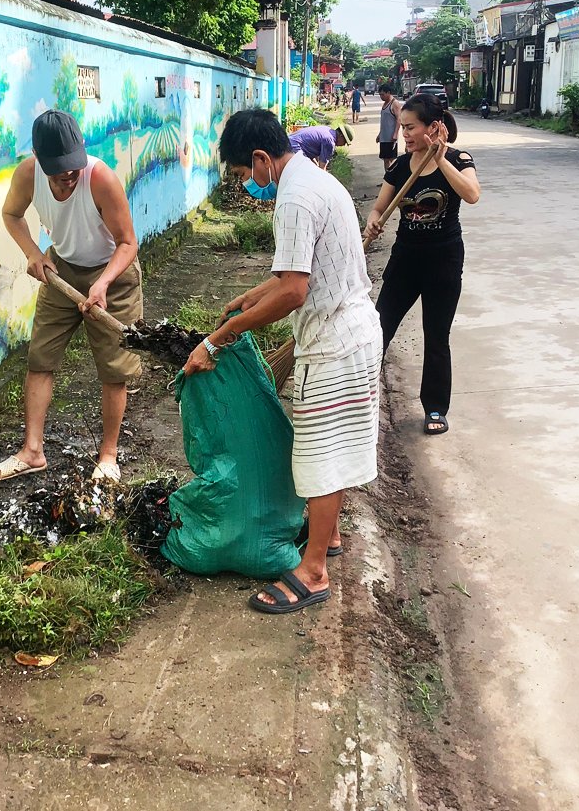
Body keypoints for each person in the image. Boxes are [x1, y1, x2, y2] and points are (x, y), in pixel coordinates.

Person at [183, 109, 381, 615]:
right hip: (352, 332)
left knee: (316, 455)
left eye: (245, 175)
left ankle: (313, 571)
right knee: (331, 446)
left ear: (261, 159)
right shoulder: (313, 178)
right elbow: (292, 274)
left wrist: (218, 340)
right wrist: (251, 297)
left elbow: (294, 291)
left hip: (334, 344)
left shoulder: (293, 197)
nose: (248, 185)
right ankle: (328, 533)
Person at [0, 109, 142, 484]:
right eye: (60, 171)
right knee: (40, 358)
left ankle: (107, 457)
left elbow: (128, 243)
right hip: (61, 271)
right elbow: (11, 214)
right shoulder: (27, 175)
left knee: (113, 368)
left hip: (113, 276)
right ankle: (32, 451)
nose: (69, 177)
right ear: (39, 159)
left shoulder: (100, 179)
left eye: (74, 167)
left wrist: (102, 283)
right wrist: (33, 253)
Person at [365, 94, 480, 436]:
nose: (405, 135)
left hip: (443, 260)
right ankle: (362, 400)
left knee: (436, 335)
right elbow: (379, 207)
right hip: (406, 259)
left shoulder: (460, 159)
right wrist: (373, 220)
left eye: (411, 128)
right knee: (379, 328)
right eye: (402, 128)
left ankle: (435, 407)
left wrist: (441, 158)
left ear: (434, 128)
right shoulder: (400, 166)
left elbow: (472, 194)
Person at [287, 123, 353, 168]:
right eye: (344, 142)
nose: (343, 145)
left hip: (290, 140)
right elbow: (322, 167)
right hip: (294, 145)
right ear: (341, 136)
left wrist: (315, 165)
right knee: (304, 170)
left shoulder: (327, 129)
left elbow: (309, 150)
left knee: (311, 167)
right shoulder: (330, 141)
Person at [376, 84, 402, 172]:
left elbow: (399, 119)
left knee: (391, 159)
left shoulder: (395, 104)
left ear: (388, 93)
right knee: (385, 159)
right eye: (380, 95)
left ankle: (392, 181)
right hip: (384, 137)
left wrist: (395, 134)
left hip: (391, 138)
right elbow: (384, 121)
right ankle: (387, 179)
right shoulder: (384, 104)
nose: (381, 97)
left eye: (382, 94)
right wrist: (379, 135)